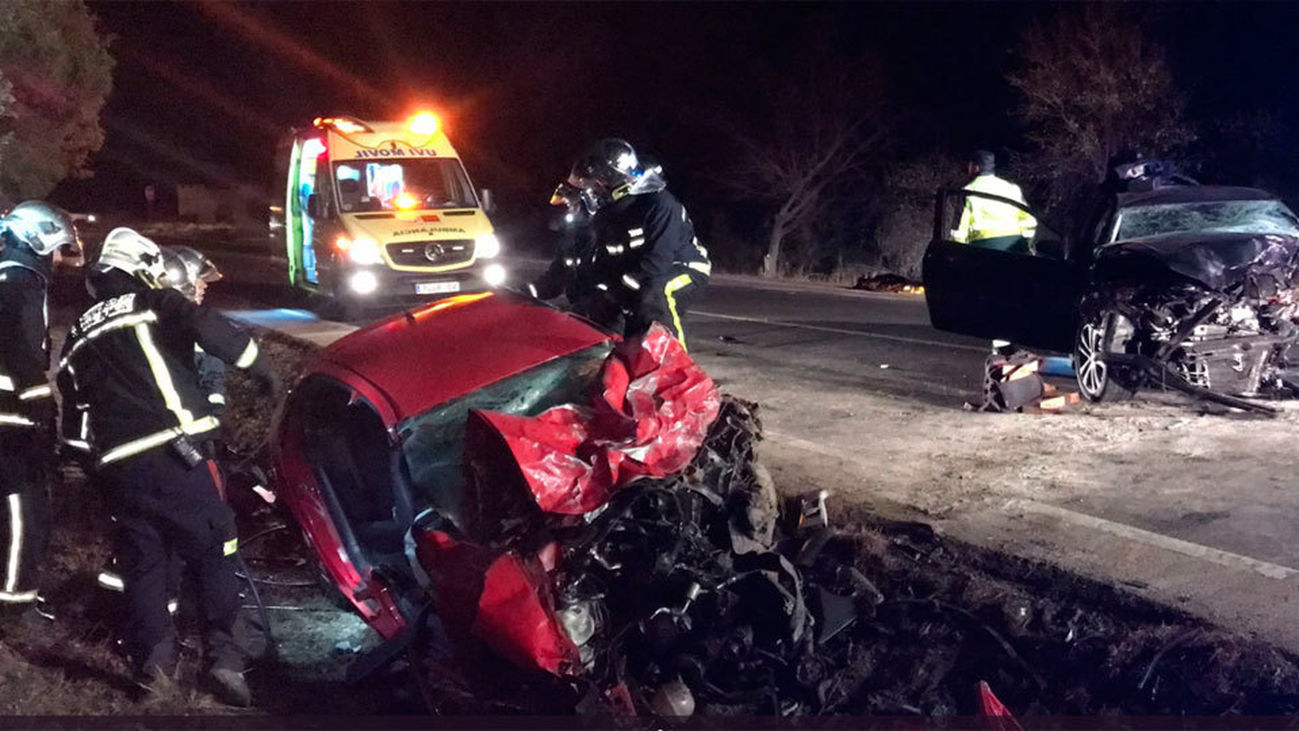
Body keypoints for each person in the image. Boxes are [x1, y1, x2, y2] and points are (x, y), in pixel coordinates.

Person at [56, 227, 279, 706]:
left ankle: (153, 670)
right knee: (215, 548)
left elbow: (73, 419)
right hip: (176, 452)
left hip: (118, 469)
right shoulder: (153, 302)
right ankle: (224, 660)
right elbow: (212, 330)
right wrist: (262, 369)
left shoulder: (76, 335)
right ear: (141, 266)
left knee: (145, 565)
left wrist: (85, 462)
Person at [0, 201, 76, 621]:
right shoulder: (23, 281)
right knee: (25, 507)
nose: (60, 259)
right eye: (58, 247)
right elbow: (23, 348)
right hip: (10, 416)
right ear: (38, 238)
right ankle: (16, 601)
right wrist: (39, 404)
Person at [566, 138, 711, 348]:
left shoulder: (660, 204)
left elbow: (658, 261)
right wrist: (594, 294)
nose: (593, 190)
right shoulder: (608, 212)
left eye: (597, 184)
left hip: (683, 268)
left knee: (652, 294)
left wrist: (619, 290)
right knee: (599, 304)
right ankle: (615, 361)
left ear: (613, 178)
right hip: (640, 271)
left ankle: (673, 369)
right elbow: (603, 261)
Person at [525, 181, 624, 331]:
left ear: (589, 204)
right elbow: (556, 277)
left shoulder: (610, 233)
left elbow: (622, 282)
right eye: (568, 206)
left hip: (612, 321)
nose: (570, 211)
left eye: (573, 206)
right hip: (583, 315)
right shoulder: (573, 236)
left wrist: (595, 303)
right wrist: (526, 292)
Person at [952, 150, 1037, 252]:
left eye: (970, 165)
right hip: (1015, 244)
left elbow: (959, 230)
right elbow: (1029, 220)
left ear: (976, 168)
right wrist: (1026, 244)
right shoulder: (1012, 188)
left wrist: (957, 252)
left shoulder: (967, 192)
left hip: (983, 246)